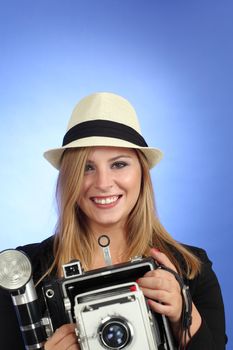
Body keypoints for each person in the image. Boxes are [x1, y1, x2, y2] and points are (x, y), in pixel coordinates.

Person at [0, 92, 227, 350]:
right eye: (86, 167)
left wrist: (184, 316)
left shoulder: (190, 269)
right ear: (69, 178)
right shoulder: (21, 275)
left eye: (119, 164)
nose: (104, 183)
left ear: (142, 173)